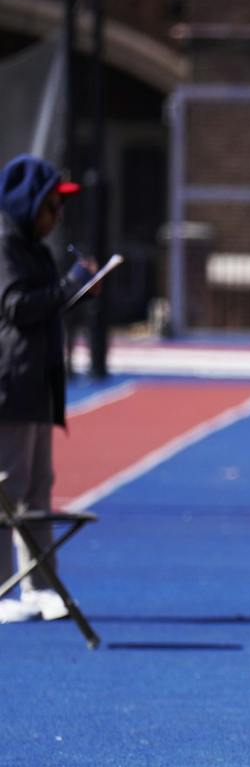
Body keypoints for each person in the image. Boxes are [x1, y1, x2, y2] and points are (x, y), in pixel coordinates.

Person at [0, 154, 96, 624]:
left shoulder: (35, 249)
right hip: (11, 385)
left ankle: (38, 585)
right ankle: (2, 588)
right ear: (28, 205)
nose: (58, 217)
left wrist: (78, 289)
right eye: (52, 207)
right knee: (8, 488)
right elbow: (17, 307)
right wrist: (67, 286)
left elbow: (47, 305)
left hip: (38, 384)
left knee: (38, 489)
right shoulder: (6, 247)